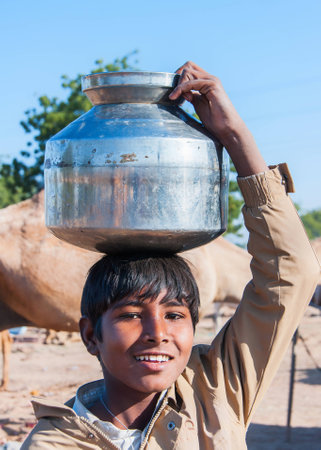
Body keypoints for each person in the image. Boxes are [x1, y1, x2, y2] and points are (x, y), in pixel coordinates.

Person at [22, 62, 320, 449]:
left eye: (175, 315)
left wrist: (233, 135)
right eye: (130, 315)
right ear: (90, 334)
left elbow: (291, 271)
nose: (158, 334)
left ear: (193, 326)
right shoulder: (55, 443)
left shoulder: (214, 390)